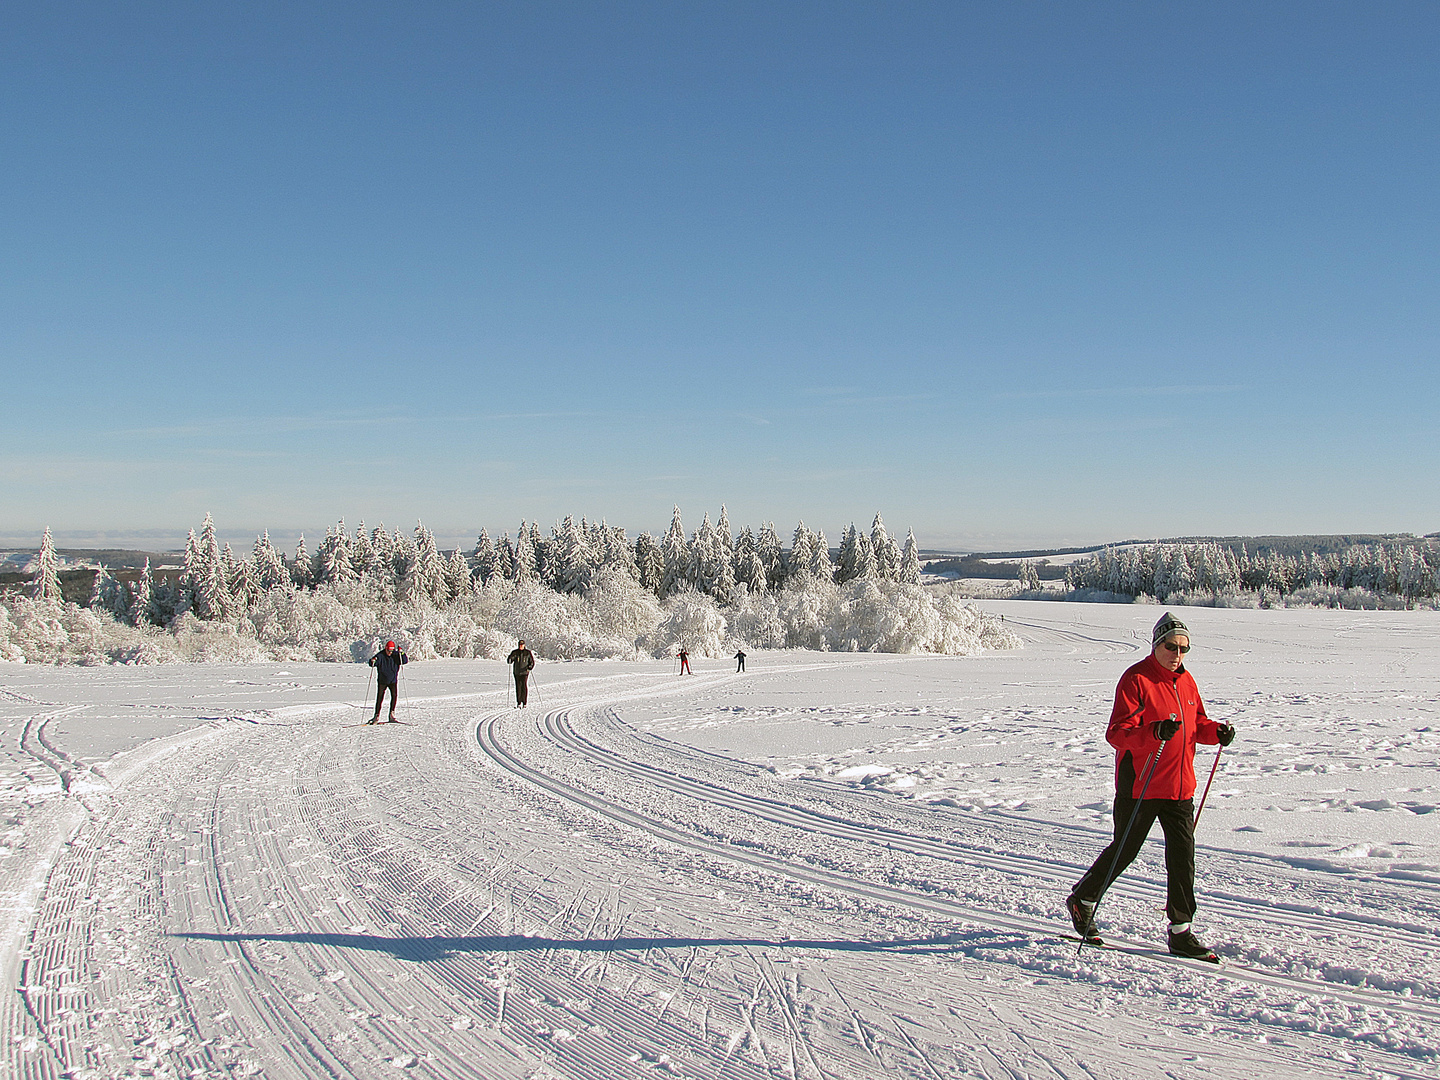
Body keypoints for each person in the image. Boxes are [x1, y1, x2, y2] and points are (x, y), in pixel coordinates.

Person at [1066, 612, 1236, 960]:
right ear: (1157, 644)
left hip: (1179, 787)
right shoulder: (1136, 679)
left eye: (1184, 648)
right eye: (1172, 646)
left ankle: (1181, 931)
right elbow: (1117, 733)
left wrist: (1216, 731)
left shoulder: (1187, 682)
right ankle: (1083, 900)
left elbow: (1196, 724)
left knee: (1182, 859)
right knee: (1125, 850)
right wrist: (1153, 732)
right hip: (1140, 785)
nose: (1178, 654)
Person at [367, 640, 408, 723]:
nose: (390, 653)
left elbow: (404, 661)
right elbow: (373, 663)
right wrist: (372, 661)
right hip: (382, 681)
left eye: (391, 651)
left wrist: (402, 653)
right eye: (388, 651)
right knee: (380, 698)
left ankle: (391, 714)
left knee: (394, 696)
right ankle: (376, 715)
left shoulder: (396, 655)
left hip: (393, 680)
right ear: (385, 648)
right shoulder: (380, 655)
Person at [507, 639, 535, 707]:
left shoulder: (527, 653)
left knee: (524, 686)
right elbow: (509, 660)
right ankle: (519, 702)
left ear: (524, 645)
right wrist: (510, 659)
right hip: (517, 672)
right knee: (518, 687)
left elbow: (532, 662)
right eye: (520, 645)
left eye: (522, 645)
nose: (521, 646)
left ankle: (524, 702)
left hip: (525, 672)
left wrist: (529, 667)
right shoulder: (515, 652)